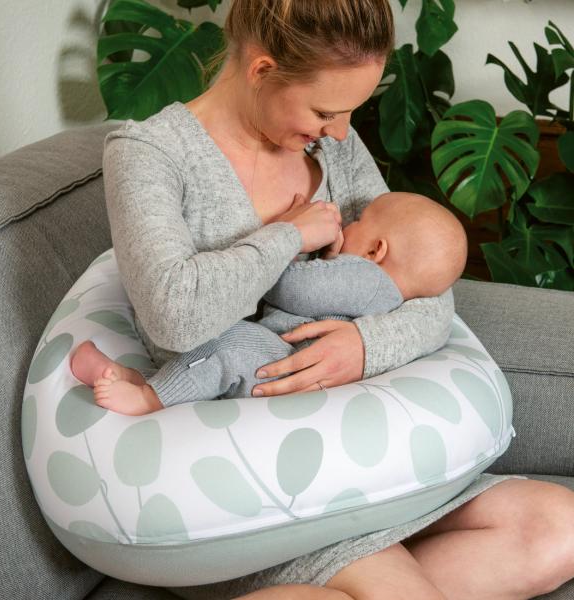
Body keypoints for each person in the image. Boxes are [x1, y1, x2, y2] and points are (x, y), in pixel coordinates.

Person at [71, 0, 574, 598]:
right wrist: (287, 236)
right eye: (325, 112)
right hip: (263, 475)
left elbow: (428, 287)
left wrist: (364, 344)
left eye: (348, 113)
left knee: (560, 527)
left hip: (358, 447)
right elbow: (174, 317)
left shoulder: (334, 148)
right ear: (262, 70)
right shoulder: (150, 154)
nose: (339, 132)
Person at [82, 191, 468, 414]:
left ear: (375, 250)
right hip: (287, 358)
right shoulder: (383, 290)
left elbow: (290, 290)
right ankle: (144, 381)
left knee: (226, 345)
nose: (349, 223)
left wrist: (288, 240)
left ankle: (150, 399)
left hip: (284, 361)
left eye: (360, 219)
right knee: (219, 348)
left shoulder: (367, 277)